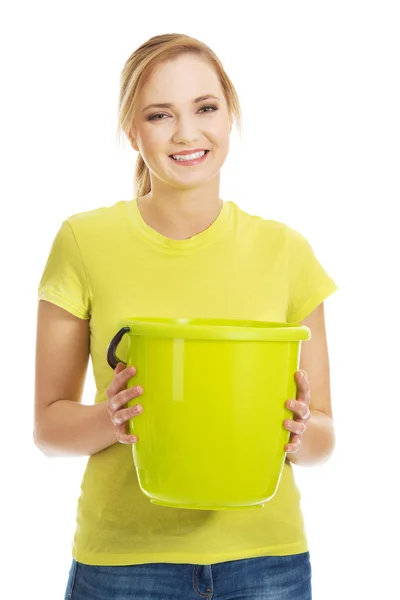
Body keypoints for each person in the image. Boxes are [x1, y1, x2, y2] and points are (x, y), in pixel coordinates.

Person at [34, 33, 338, 600]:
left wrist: (298, 433)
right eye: (159, 115)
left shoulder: (286, 252)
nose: (187, 133)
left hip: (265, 562)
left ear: (229, 114)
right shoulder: (83, 241)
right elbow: (47, 428)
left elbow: (323, 434)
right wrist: (111, 420)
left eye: (205, 108)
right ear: (133, 131)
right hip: (125, 565)